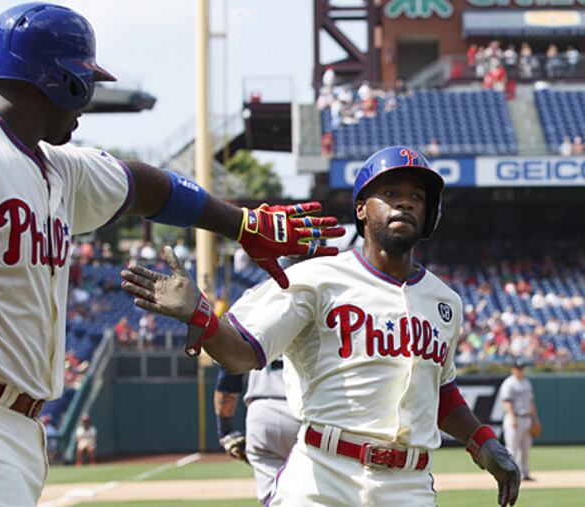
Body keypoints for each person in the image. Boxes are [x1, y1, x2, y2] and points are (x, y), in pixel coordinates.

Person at [0, 3, 345, 506]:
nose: (87, 99)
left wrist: (243, 224)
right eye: (86, 83)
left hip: (14, 424)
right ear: (61, 81)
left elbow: (148, 186)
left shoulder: (58, 168)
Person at [121, 146, 520, 507]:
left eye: (417, 197)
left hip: (408, 485)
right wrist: (201, 315)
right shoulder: (316, 278)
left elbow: (441, 391)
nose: (405, 204)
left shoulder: (445, 301)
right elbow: (240, 354)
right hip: (323, 476)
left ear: (430, 214)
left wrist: (482, 441)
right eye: (392, 193)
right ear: (362, 209)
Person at [214, 360, 301, 504]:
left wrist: (225, 432)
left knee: (273, 499)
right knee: (318, 492)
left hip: (261, 412)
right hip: (304, 412)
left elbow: (227, 380)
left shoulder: (253, 335)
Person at [499, 360, 539, 481]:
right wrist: (512, 417)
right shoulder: (509, 383)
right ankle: (511, 474)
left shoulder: (526, 382)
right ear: (513, 369)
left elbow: (531, 402)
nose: (521, 370)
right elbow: (507, 402)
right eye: (518, 368)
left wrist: (535, 419)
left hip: (527, 418)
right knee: (512, 448)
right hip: (515, 417)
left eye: (522, 368)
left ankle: (524, 473)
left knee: (525, 449)